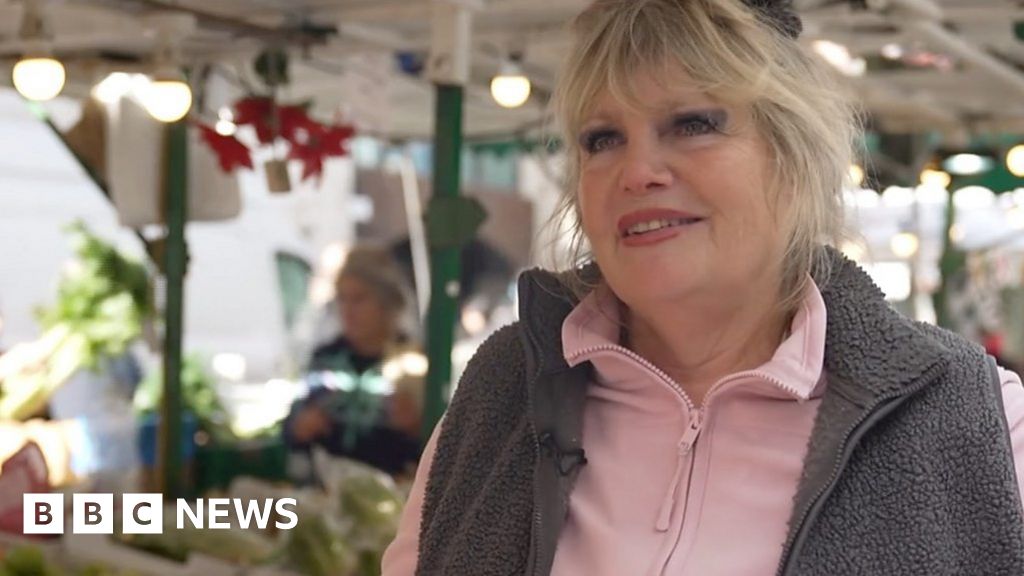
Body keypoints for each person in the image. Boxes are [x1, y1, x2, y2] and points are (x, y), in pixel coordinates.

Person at [382, 0, 1024, 574]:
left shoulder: (976, 417)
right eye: (602, 139)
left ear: (792, 158)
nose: (637, 171)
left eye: (692, 124)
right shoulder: (501, 392)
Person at [284, 245, 422, 478]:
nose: (347, 311)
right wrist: (300, 426)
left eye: (359, 300)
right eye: (342, 300)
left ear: (386, 303)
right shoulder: (325, 359)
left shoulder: (414, 363)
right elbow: (292, 428)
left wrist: (415, 427)